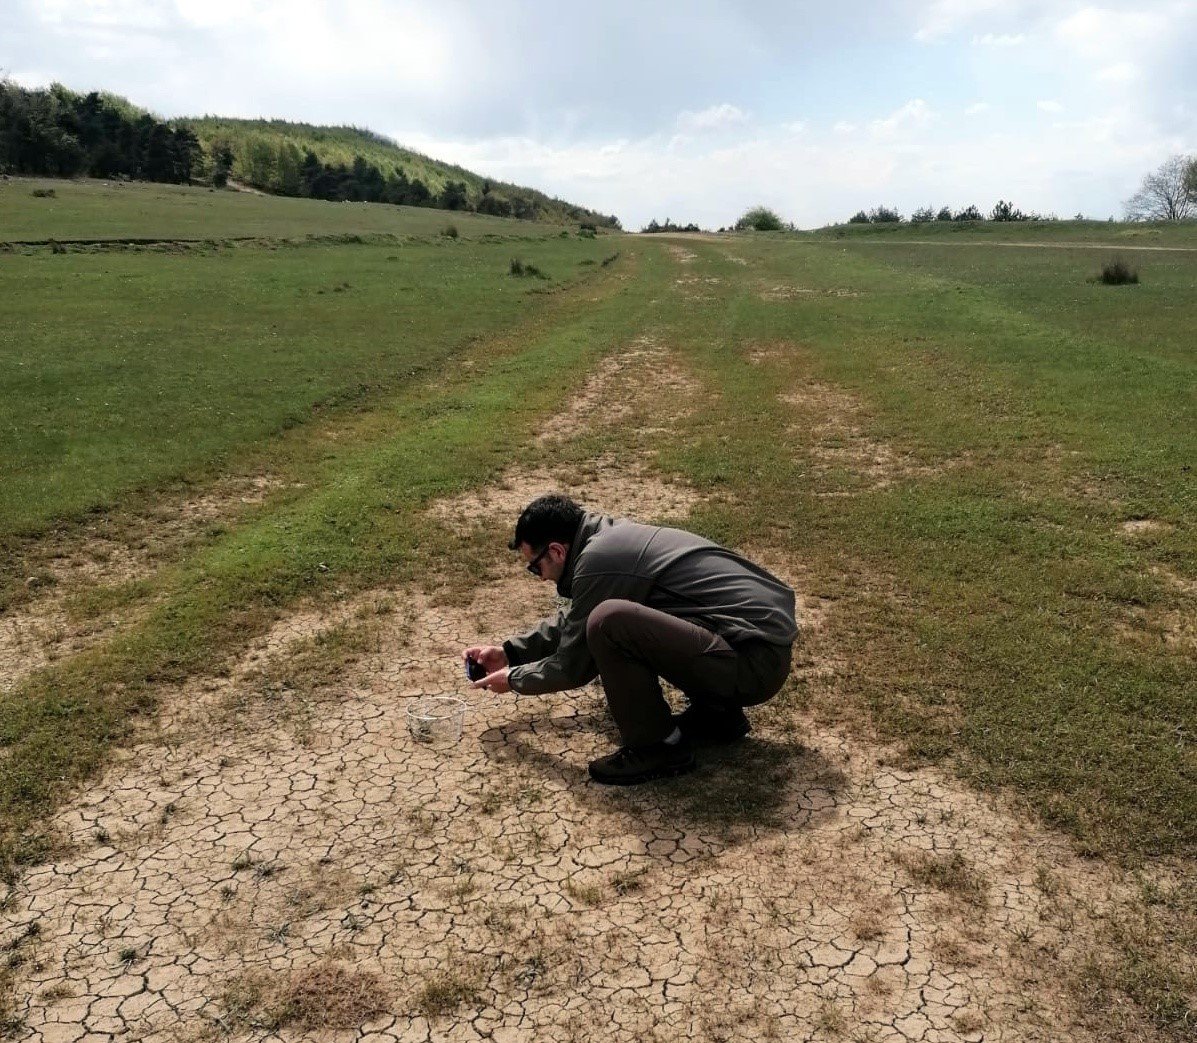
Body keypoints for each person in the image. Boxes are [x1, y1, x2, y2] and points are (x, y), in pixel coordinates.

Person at [463, 495, 798, 786]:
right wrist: (509, 652)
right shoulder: (608, 540)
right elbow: (573, 620)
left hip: (754, 665)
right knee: (617, 617)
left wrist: (513, 680)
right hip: (757, 648)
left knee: (608, 622)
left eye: (535, 568)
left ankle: (657, 746)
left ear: (556, 550)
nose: (540, 578)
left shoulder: (599, 560)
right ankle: (717, 714)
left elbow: (574, 665)